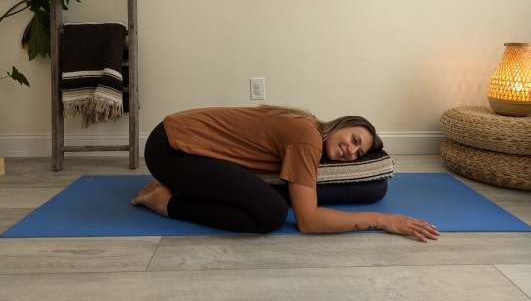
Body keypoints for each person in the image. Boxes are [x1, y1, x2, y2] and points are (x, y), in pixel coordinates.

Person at [131, 105, 440, 242]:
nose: (351, 151)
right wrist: (383, 220)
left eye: (358, 153)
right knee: (271, 214)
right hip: (170, 148)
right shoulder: (306, 137)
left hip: (176, 141)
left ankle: (173, 186)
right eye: (354, 140)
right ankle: (165, 202)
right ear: (341, 124)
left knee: (267, 203)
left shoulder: (308, 128)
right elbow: (308, 221)